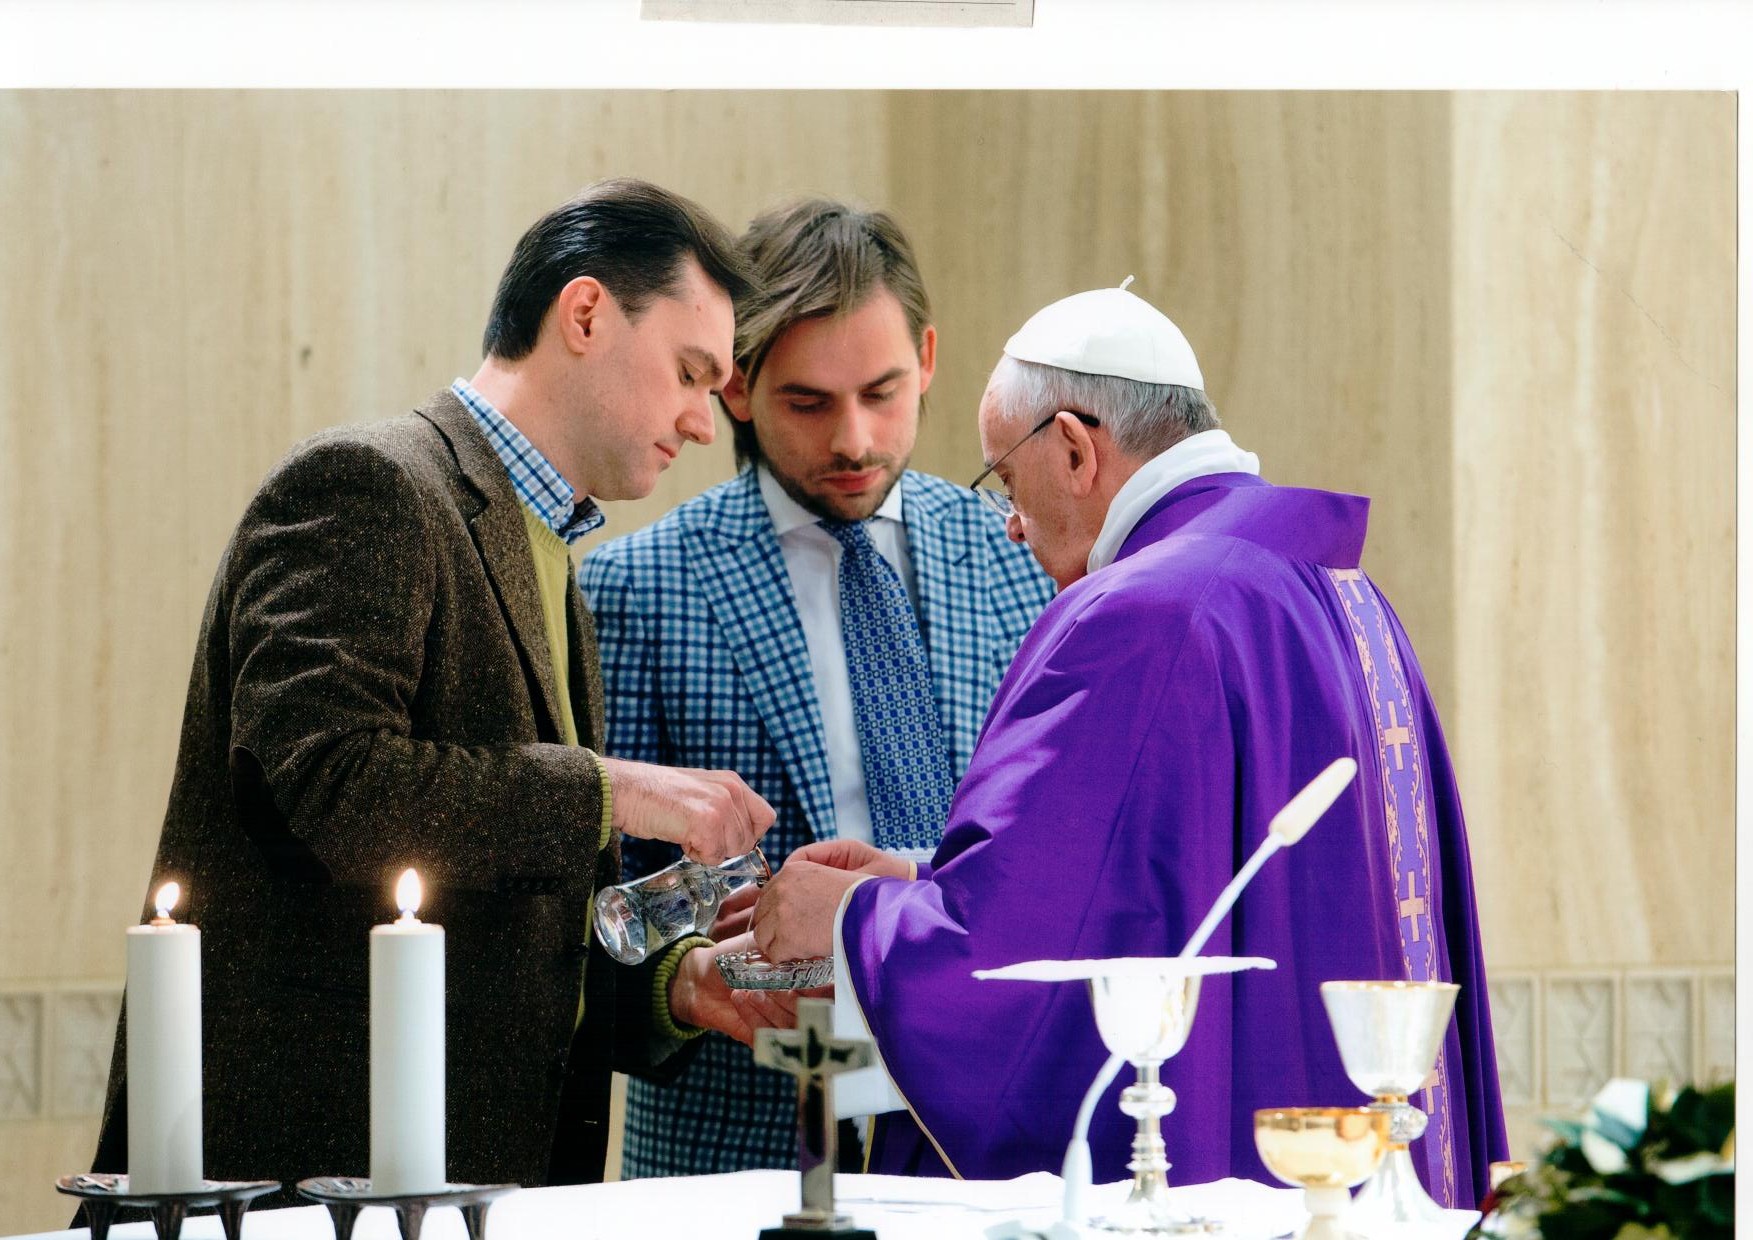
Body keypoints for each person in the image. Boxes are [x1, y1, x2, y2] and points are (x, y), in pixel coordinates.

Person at [92, 179, 789, 1201]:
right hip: (312, 1173)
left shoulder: (554, 550)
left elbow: (507, 913)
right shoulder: (368, 484)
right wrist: (615, 790)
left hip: (478, 1180)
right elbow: (327, 783)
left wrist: (671, 986)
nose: (699, 420)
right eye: (691, 373)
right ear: (586, 313)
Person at [751, 284, 1510, 1204]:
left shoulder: (1143, 612)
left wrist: (843, 920)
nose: (1010, 521)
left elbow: (1018, 965)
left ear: (1072, 447)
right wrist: (912, 887)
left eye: (1003, 477)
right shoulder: (1341, 596)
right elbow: (1161, 890)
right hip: (1341, 1155)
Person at [580, 198, 1054, 1177]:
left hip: (994, 1142)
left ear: (927, 357)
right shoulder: (636, 588)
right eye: (809, 402)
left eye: (882, 391)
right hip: (739, 1155)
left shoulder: (1022, 556)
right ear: (738, 387)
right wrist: (688, 983)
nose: (853, 438)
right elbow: (587, 922)